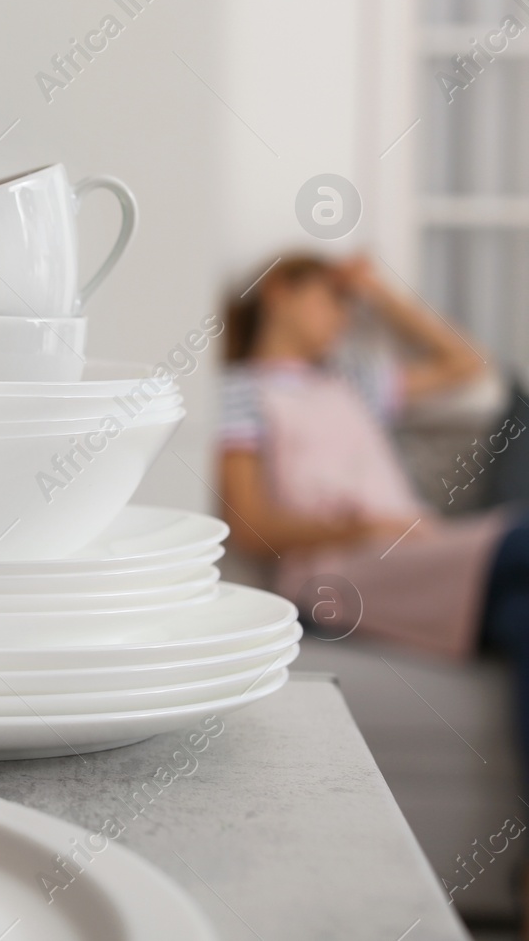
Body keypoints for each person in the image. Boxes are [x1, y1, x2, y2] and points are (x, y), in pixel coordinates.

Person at [219, 252, 529, 738]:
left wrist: (380, 292)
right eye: (332, 298)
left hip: (416, 549)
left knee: (522, 619)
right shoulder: (239, 393)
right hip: (337, 570)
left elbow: (467, 364)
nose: (344, 316)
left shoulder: (352, 383)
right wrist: (359, 527)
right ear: (279, 291)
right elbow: (248, 524)